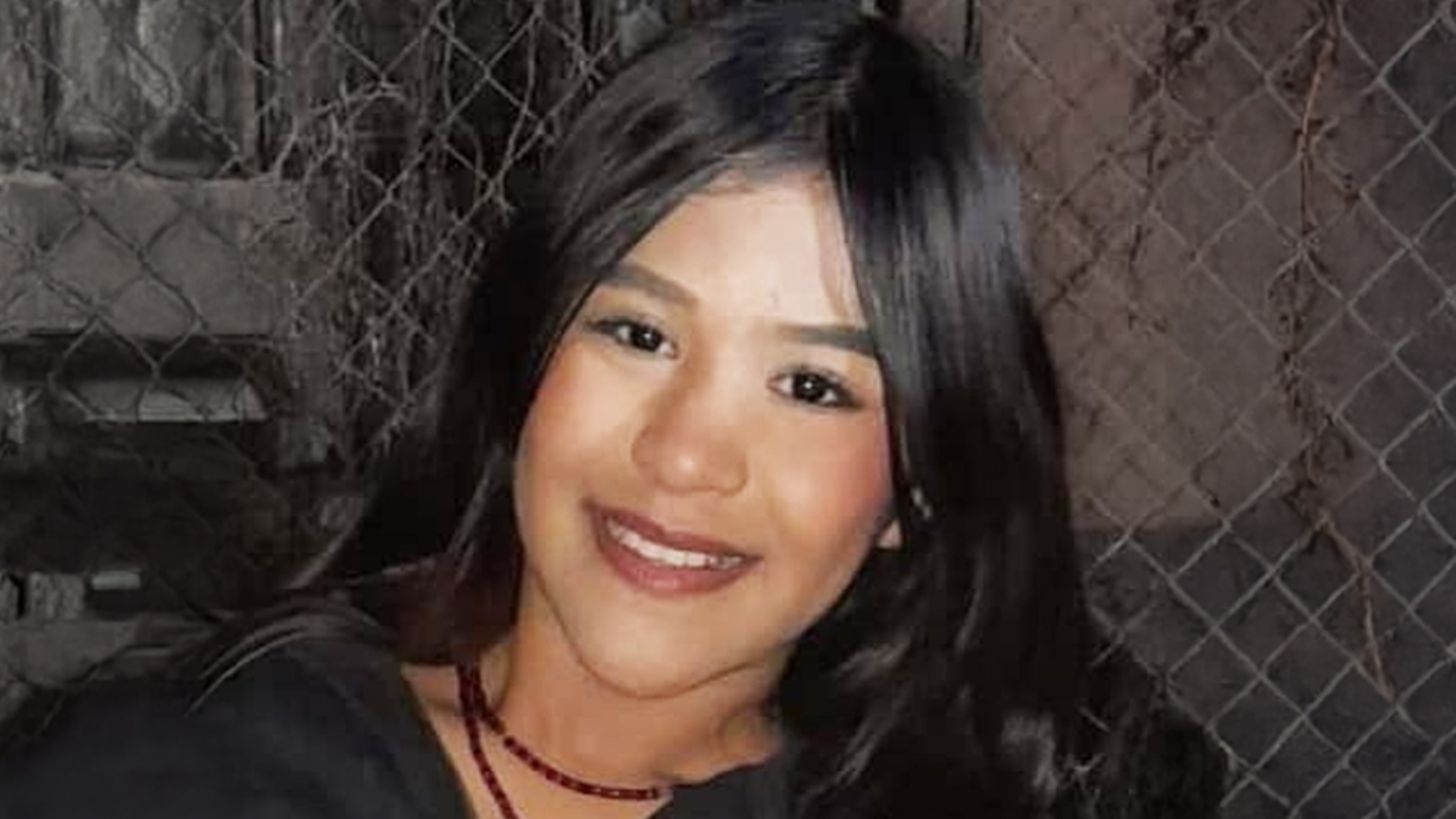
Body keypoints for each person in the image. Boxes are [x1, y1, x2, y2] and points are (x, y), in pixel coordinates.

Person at [0, 3, 1091, 817]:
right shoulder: (207, 771)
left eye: (811, 386)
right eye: (640, 334)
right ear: (528, 353)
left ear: (917, 483)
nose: (683, 456)